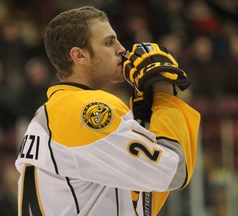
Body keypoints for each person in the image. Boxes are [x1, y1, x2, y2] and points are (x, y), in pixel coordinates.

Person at [15, 6, 200, 216]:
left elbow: (139, 191)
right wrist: (163, 94)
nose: (122, 49)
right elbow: (173, 172)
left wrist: (145, 114)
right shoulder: (89, 110)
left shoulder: (52, 112)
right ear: (79, 55)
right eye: (109, 42)